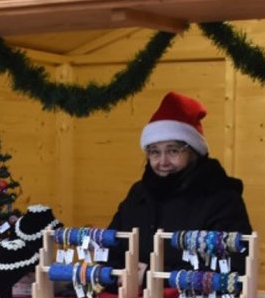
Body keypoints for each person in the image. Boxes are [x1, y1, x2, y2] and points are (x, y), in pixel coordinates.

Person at [108, 91, 253, 273]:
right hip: (130, 296)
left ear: (193, 151)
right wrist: (117, 275)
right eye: (154, 152)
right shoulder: (138, 194)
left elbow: (232, 264)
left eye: (173, 151)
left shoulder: (221, 197)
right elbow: (110, 249)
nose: (163, 161)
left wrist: (151, 277)